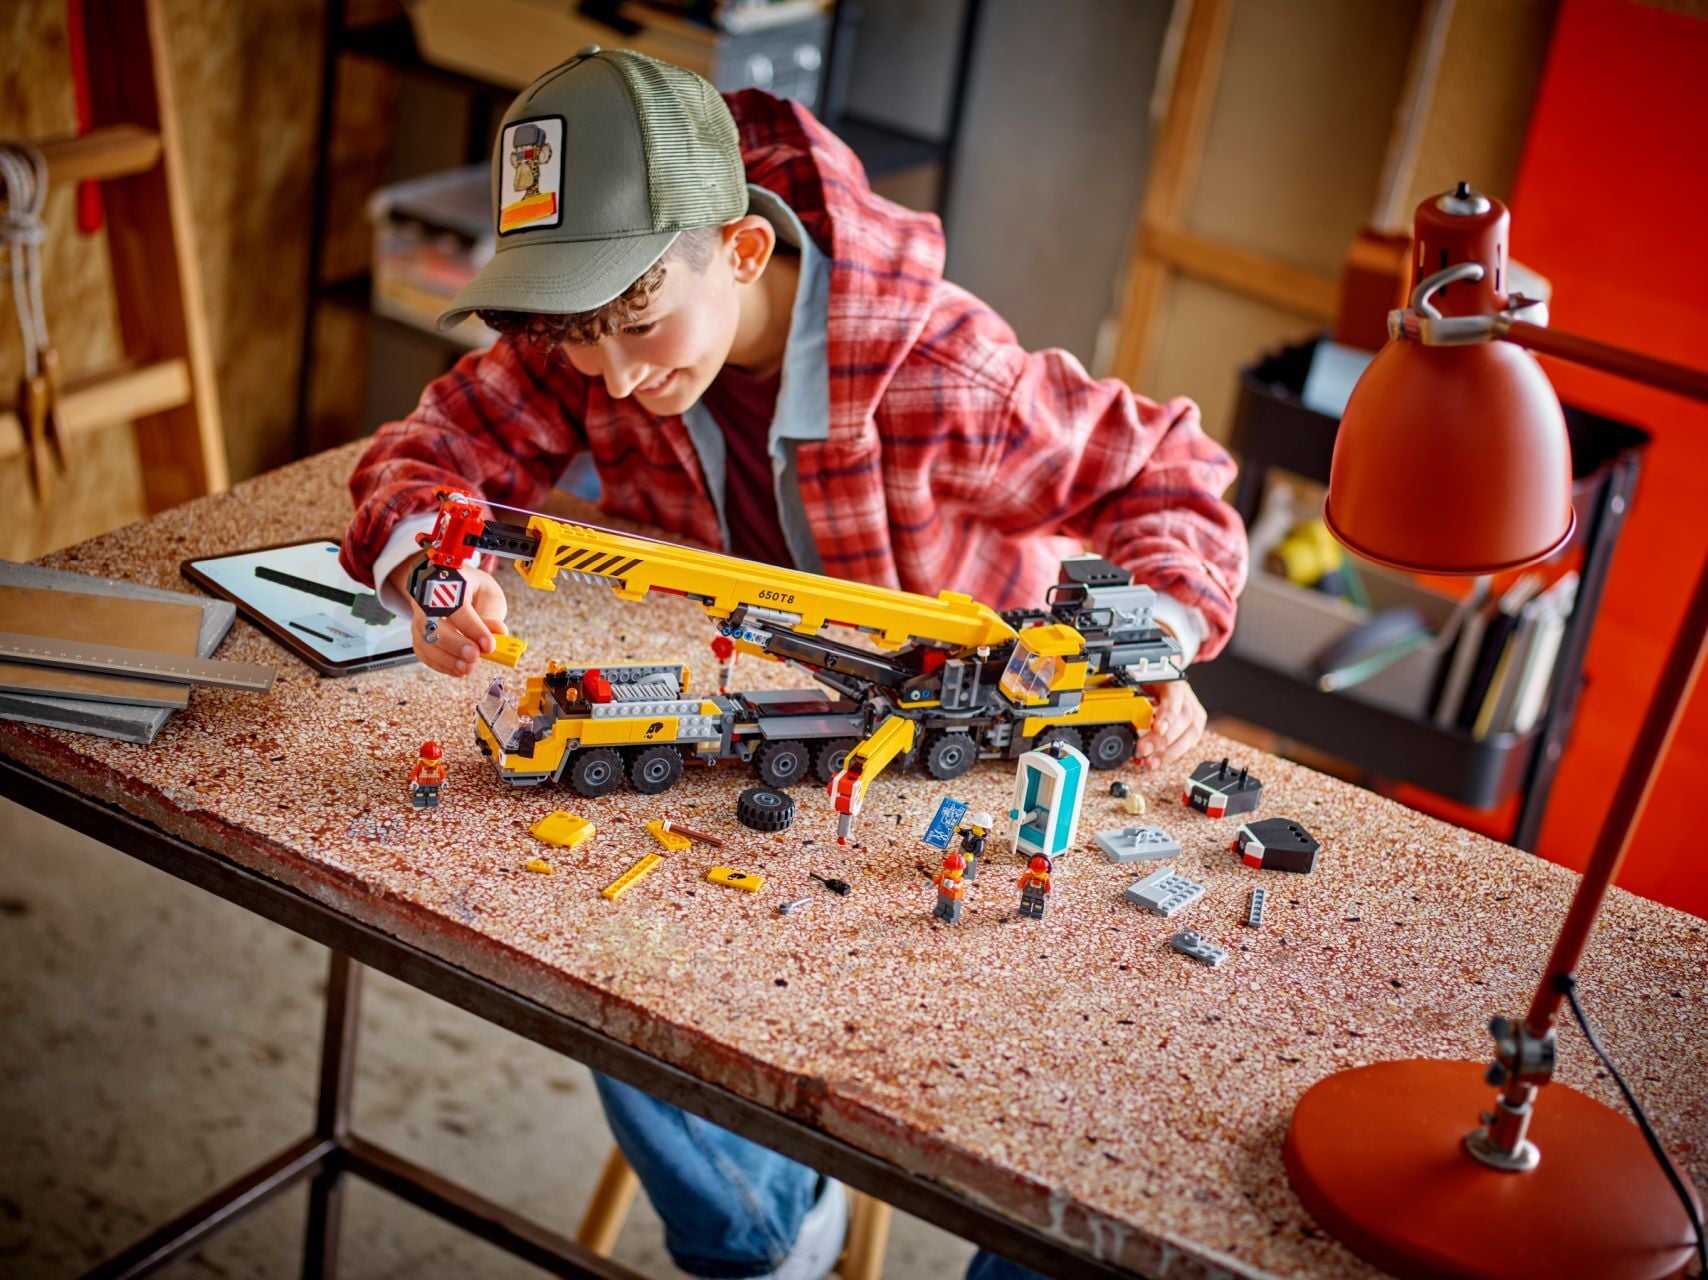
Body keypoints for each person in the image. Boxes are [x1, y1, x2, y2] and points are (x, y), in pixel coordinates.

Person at [341, 45, 1247, 1280]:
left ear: (744, 250)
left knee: (1085, 1143)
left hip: (962, 758)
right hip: (764, 754)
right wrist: (423, 572)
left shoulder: (946, 377)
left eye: (636, 326)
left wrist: (1153, 635)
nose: (611, 375)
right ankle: (764, 1239)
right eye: (576, 338)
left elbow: (1173, 476)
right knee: (596, 946)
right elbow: (426, 448)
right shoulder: (599, 337)